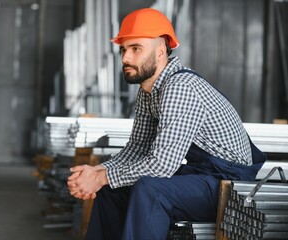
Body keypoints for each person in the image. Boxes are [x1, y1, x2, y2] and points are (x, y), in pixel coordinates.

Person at [67, 8, 266, 240]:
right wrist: (97, 172)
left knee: (150, 190)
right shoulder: (148, 90)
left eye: (135, 49)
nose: (125, 58)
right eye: (123, 49)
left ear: (161, 52)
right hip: (201, 175)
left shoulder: (179, 87)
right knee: (112, 189)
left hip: (228, 186)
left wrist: (100, 177)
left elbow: (162, 165)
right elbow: (137, 149)